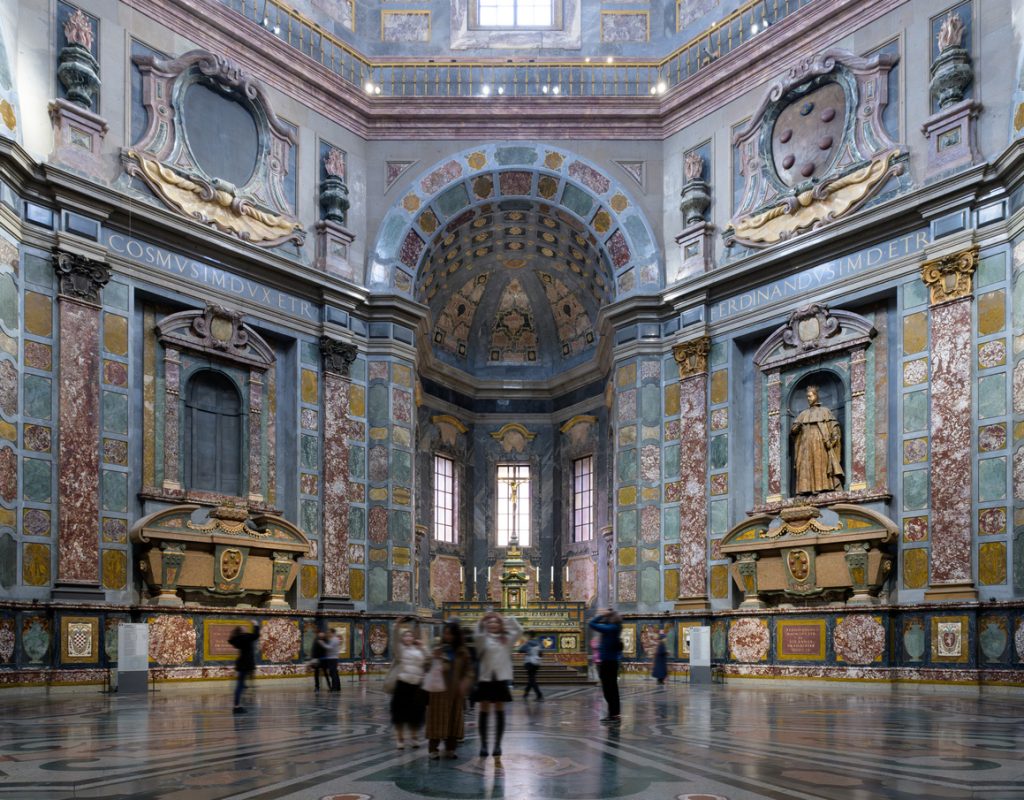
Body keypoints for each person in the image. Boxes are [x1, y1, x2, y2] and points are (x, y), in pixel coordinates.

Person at [474, 610, 523, 760]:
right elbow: (476, 631)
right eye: (490, 622)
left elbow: (519, 630)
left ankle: (497, 745)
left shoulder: (506, 639)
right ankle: (483, 744)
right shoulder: (482, 639)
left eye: (495, 622)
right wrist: (484, 618)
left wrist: (505, 618)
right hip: (486, 679)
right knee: (484, 711)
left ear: (500, 624)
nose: (493, 624)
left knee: (499, 711)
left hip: (501, 679)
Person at [425, 621, 471, 759]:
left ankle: (451, 748)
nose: (447, 636)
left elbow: (468, 671)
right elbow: (426, 666)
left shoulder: (462, 652)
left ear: (456, 635)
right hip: (438, 691)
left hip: (455, 692)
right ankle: (433, 749)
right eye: (445, 633)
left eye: (450, 633)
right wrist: (434, 658)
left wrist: (465, 683)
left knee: (453, 720)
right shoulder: (438, 649)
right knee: (436, 720)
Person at [791, 384, 843, 494]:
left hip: (820, 444)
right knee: (805, 465)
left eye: (810, 396)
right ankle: (806, 489)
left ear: (816, 396)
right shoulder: (803, 414)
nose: (808, 399)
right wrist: (797, 427)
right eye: (807, 397)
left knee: (821, 465)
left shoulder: (825, 411)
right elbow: (793, 431)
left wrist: (833, 439)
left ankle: (823, 487)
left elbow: (834, 426)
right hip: (805, 444)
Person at [390, 617, 429, 749]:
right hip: (403, 684)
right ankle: (400, 738)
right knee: (399, 714)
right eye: (405, 636)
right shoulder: (400, 650)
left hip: (417, 686)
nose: (408, 638)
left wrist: (423, 647)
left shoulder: (419, 649)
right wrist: (397, 625)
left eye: (410, 635)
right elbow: (395, 638)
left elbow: (428, 660)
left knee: (416, 714)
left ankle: (414, 736)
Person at [588, 608, 622, 724]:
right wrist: (606, 616)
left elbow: (592, 624)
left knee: (609, 690)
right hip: (610, 662)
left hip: (608, 662)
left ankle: (614, 715)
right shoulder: (614, 628)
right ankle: (614, 714)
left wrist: (600, 615)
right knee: (611, 689)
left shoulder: (611, 629)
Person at [228, 622, 261, 714]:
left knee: (241, 684)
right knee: (240, 685)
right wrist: (256, 625)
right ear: (241, 631)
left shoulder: (238, 639)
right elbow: (256, 635)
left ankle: (246, 687)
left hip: (242, 664)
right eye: (243, 627)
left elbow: (230, 640)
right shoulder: (245, 637)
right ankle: (237, 706)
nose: (245, 628)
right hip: (246, 664)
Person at [519, 630, 543, 701]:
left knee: (532, 680)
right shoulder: (539, 643)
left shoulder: (528, 643)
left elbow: (520, 650)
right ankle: (526, 694)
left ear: (529, 636)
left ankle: (539, 695)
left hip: (529, 663)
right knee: (531, 678)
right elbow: (541, 654)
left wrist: (527, 651)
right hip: (537, 663)